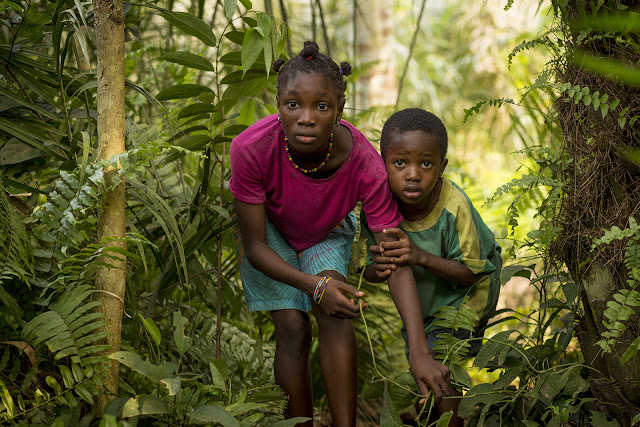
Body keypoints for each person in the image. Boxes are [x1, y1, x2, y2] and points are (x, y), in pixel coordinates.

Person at [229, 42, 444, 426]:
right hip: (269, 233)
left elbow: (394, 257)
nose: (306, 118)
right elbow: (255, 244)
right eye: (293, 104)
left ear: (340, 111)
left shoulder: (365, 163)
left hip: (325, 231)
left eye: (321, 106)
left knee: (338, 307)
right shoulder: (249, 148)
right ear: (278, 104)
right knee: (293, 327)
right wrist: (311, 286)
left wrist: (419, 352)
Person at [362, 108, 502, 426]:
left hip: (466, 297)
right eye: (400, 163)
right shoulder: (376, 205)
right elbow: (368, 270)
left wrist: (419, 256)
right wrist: (378, 266)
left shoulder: (454, 206)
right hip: (423, 304)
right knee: (420, 362)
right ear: (383, 164)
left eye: (426, 163)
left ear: (441, 167)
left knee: (436, 361)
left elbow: (473, 272)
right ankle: (432, 418)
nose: (413, 174)